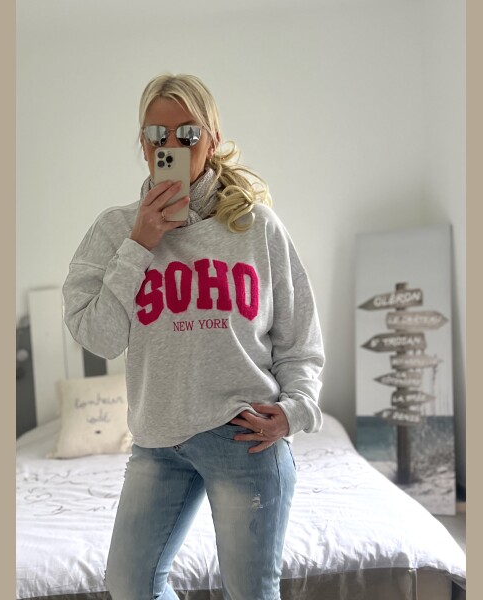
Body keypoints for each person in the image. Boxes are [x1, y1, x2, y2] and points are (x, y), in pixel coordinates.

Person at [62, 73, 325, 600]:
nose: (172, 146)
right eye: (156, 135)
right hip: (158, 441)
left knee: (251, 593)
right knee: (130, 585)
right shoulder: (114, 231)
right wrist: (139, 244)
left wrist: (297, 410)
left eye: (187, 133)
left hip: (244, 437)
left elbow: (299, 336)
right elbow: (99, 337)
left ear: (212, 139)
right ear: (142, 146)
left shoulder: (257, 227)